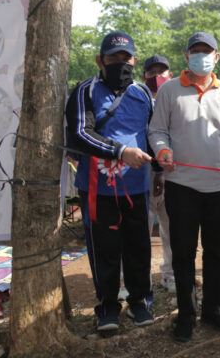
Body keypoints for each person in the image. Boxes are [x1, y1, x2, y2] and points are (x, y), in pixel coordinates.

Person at [149, 32, 220, 342]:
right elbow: (157, 130)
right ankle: (186, 315)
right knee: (184, 253)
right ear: (186, 55)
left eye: (207, 51)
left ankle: (213, 310)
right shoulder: (169, 91)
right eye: (195, 51)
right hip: (181, 185)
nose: (201, 56)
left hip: (218, 184)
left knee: (215, 253)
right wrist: (162, 151)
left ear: (216, 57)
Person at [65, 30, 155, 331]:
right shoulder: (85, 91)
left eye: (126, 58)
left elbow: (152, 135)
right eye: (112, 58)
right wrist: (120, 152)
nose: (120, 63)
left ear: (135, 59)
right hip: (96, 189)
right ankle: (107, 306)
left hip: (137, 186)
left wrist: (161, 169)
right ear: (99, 61)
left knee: (139, 246)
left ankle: (140, 301)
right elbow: (80, 132)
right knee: (104, 249)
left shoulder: (142, 93)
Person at [141, 55, 173, 292]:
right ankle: (137, 281)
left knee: (170, 227)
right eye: (151, 73)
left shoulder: (175, 98)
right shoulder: (137, 99)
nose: (156, 77)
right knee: (139, 228)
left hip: (171, 172)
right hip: (142, 173)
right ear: (144, 77)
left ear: (170, 75)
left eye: (161, 72)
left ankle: (170, 274)